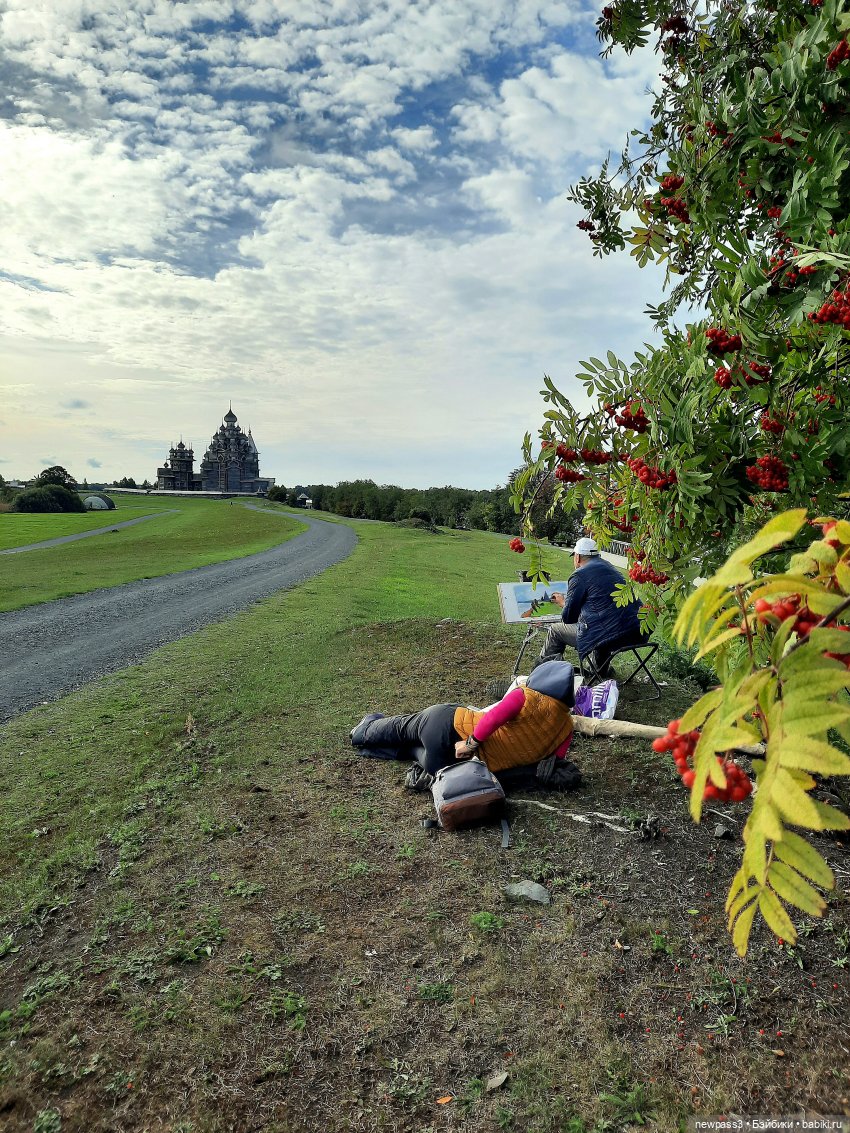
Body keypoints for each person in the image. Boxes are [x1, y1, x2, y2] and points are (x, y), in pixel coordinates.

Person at [350, 660, 576, 786]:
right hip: (451, 768)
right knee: (412, 750)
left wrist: (470, 743)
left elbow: (493, 718)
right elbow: (554, 761)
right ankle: (369, 750)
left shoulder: (526, 696)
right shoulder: (567, 726)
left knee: (404, 727)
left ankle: (363, 732)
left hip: (448, 729)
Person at [537, 536, 643, 675]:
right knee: (602, 625)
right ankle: (598, 672)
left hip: (609, 637)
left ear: (577, 557)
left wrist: (563, 602)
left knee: (556, 630)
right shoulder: (611, 568)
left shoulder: (579, 575)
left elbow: (568, 618)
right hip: (637, 632)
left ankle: (542, 673)